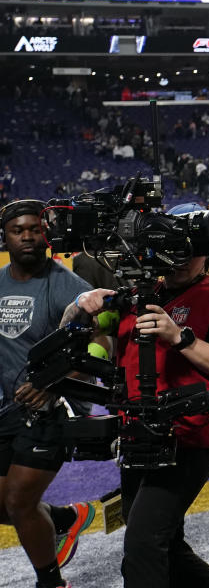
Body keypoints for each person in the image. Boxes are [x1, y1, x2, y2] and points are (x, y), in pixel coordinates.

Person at [75, 202, 209, 588]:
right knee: (165, 545)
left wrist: (179, 337)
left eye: (192, 245)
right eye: (174, 245)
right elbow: (86, 335)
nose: (183, 257)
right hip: (138, 431)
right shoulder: (136, 294)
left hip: (190, 432)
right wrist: (80, 307)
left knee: (142, 543)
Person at [0, 200, 100, 588]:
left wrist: (54, 382)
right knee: (6, 505)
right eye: (18, 230)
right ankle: (63, 519)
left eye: (35, 229)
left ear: (47, 235)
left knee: (19, 503)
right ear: (5, 237)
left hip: (55, 407)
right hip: (9, 408)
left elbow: (101, 343)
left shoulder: (68, 286)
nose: (27, 236)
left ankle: (52, 583)